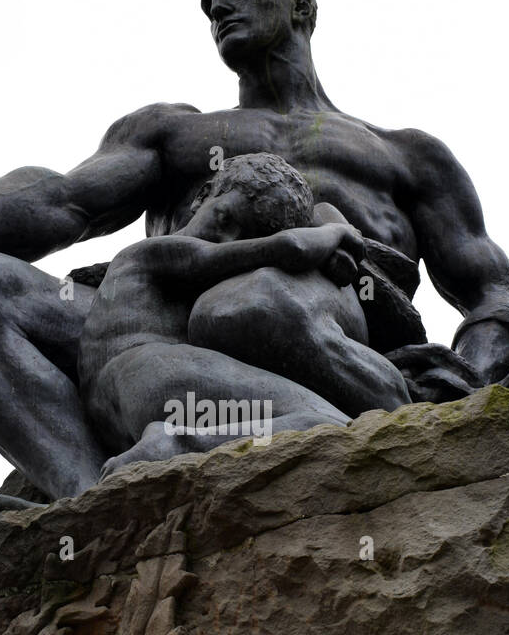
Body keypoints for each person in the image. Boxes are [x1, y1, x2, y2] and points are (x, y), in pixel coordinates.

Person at [0, 0, 509, 502]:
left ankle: (235, 447)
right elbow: (60, 202)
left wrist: (466, 390)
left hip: (325, 344)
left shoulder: (406, 156)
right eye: (206, 2)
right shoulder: (176, 133)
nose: (217, 9)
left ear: (300, 1)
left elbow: (494, 301)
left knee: (253, 307)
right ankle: (98, 504)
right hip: (157, 330)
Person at [79, 151, 414, 474]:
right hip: (150, 376)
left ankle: (182, 441)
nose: (226, 239)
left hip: (120, 406)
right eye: (225, 217)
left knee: (323, 423)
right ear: (203, 196)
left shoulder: (169, 275)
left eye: (245, 235)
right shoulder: (158, 251)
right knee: (329, 424)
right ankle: (179, 443)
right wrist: (339, 231)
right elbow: (291, 248)